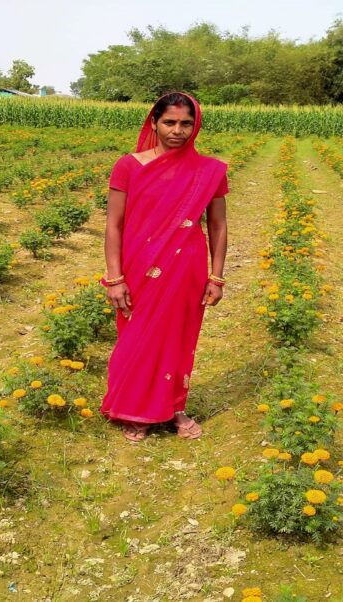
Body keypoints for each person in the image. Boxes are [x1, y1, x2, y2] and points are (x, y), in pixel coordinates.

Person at [99, 91, 229, 442]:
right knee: (137, 335)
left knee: (177, 337)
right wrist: (115, 279)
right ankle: (135, 409)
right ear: (154, 123)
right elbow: (114, 224)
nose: (178, 130)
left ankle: (174, 408)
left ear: (195, 125)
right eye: (169, 122)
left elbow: (218, 225)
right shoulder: (129, 166)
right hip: (139, 268)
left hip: (186, 268)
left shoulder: (209, 171)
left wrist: (216, 277)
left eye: (187, 123)